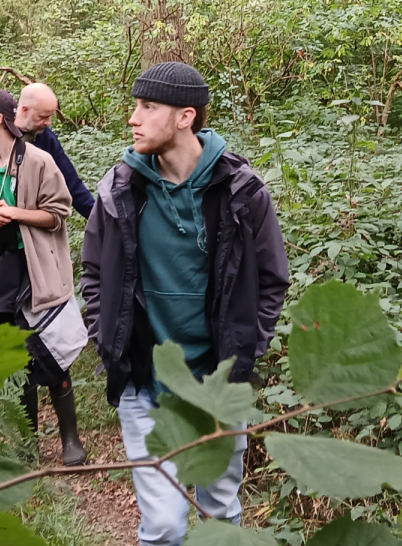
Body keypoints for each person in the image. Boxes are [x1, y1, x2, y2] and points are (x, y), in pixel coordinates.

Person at [81, 62, 291, 545]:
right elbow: (94, 272)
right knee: (162, 526)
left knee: (219, 511)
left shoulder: (241, 192)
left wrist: (245, 353)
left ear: (184, 117)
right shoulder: (120, 189)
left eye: (147, 107)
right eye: (136, 105)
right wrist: (107, 337)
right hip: (144, 383)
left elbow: (271, 280)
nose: (133, 117)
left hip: (217, 386)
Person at [0, 88, 88, 466]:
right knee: (17, 358)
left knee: (51, 352)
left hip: (37, 271)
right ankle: (28, 444)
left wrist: (14, 214)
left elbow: (58, 212)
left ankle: (70, 439)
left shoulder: (39, 161)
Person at [0, 83, 95, 219]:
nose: (48, 122)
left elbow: (71, 182)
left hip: (28, 226)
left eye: (50, 117)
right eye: (43, 117)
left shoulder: (45, 137)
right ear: (25, 110)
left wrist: (98, 218)